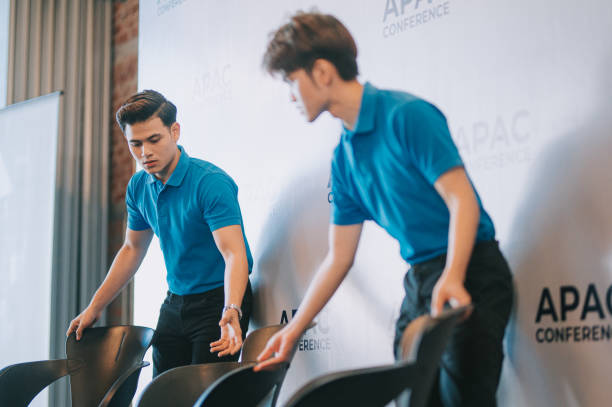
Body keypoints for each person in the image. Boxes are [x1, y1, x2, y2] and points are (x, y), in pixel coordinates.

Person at [254, 11, 513, 407]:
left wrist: (454, 275)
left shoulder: (406, 116)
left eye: (292, 81)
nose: (290, 95)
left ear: (322, 72)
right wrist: (294, 331)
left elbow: (462, 200)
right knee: (412, 399)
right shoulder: (342, 161)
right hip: (422, 279)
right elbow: (339, 257)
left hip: (472, 271)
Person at [67, 90, 253, 376]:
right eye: (136, 144)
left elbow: (234, 254)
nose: (145, 153)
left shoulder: (210, 183)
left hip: (219, 301)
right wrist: (94, 307)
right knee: (162, 394)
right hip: (176, 300)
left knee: (206, 395)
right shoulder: (139, 187)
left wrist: (232, 309)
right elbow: (132, 249)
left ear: (174, 131)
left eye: (154, 140)